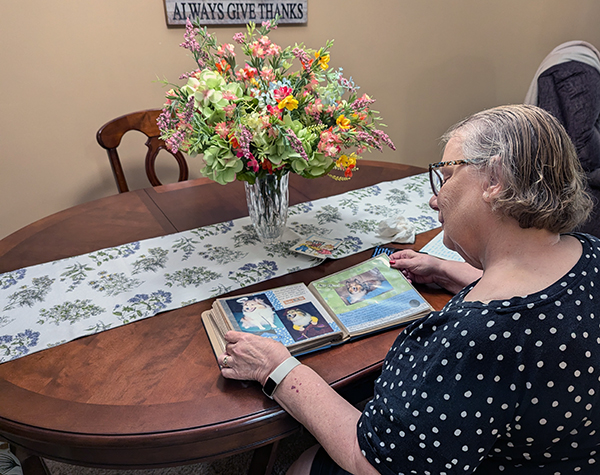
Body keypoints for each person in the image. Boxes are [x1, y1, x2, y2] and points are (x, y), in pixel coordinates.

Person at [217, 104, 600, 474]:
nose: (436, 197)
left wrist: (275, 368)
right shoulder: (588, 251)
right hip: (572, 451)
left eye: (447, 177)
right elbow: (544, 303)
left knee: (302, 464)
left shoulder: (477, 338)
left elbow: (373, 463)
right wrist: (449, 272)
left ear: (495, 181)